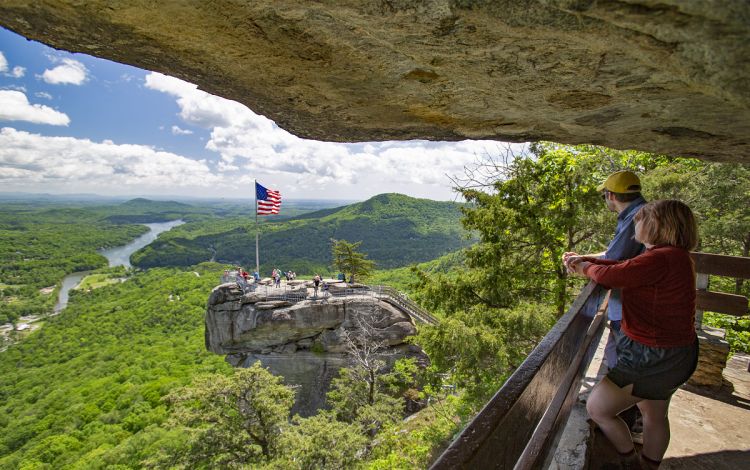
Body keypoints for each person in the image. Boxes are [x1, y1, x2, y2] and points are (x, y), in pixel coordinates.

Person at [567, 200, 699, 469]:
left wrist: (582, 267)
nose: (635, 224)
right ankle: (650, 465)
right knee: (654, 414)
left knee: (597, 408)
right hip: (676, 352)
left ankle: (630, 462)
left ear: (658, 226)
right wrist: (586, 260)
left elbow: (611, 276)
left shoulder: (661, 258)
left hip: (651, 355)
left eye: (640, 219)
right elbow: (622, 268)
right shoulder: (675, 257)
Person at [563, 170, 647, 370]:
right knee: (616, 354)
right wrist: (584, 257)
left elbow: (614, 259)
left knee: (623, 361)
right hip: (635, 305)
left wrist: (584, 266)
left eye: (604, 195)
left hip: (632, 306)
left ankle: (622, 399)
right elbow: (614, 254)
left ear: (611, 195)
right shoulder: (639, 214)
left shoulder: (636, 217)